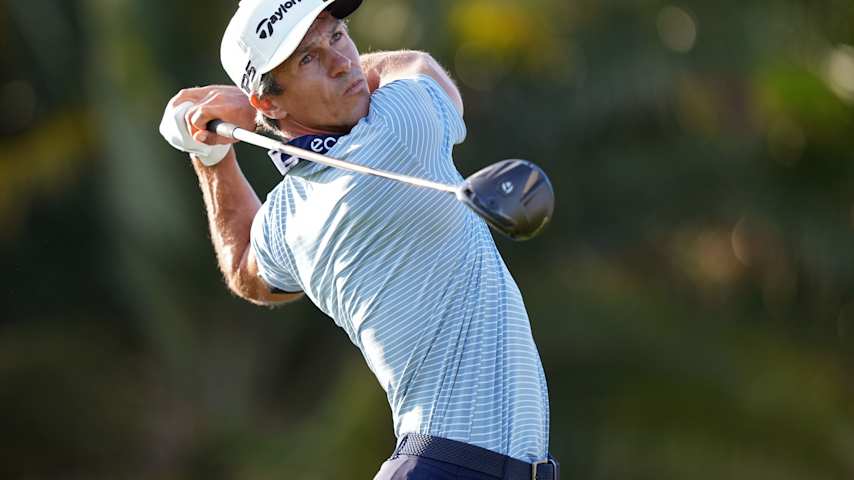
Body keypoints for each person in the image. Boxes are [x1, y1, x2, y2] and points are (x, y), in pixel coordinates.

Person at [159, 0, 557, 478]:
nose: (342, 62)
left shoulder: (288, 216)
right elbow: (417, 66)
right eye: (308, 59)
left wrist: (211, 156)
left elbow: (245, 267)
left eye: (337, 35)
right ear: (269, 101)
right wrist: (246, 110)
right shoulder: (401, 127)